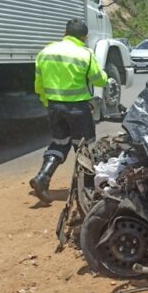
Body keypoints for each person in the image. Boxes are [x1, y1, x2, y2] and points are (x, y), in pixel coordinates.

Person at [29, 19, 111, 203]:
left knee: (59, 143)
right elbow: (98, 79)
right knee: (85, 148)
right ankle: (87, 190)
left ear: (64, 33)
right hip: (78, 108)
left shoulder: (46, 52)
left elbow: (39, 84)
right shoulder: (85, 54)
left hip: (54, 107)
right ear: (84, 37)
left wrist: (47, 103)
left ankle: (43, 177)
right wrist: (106, 77)